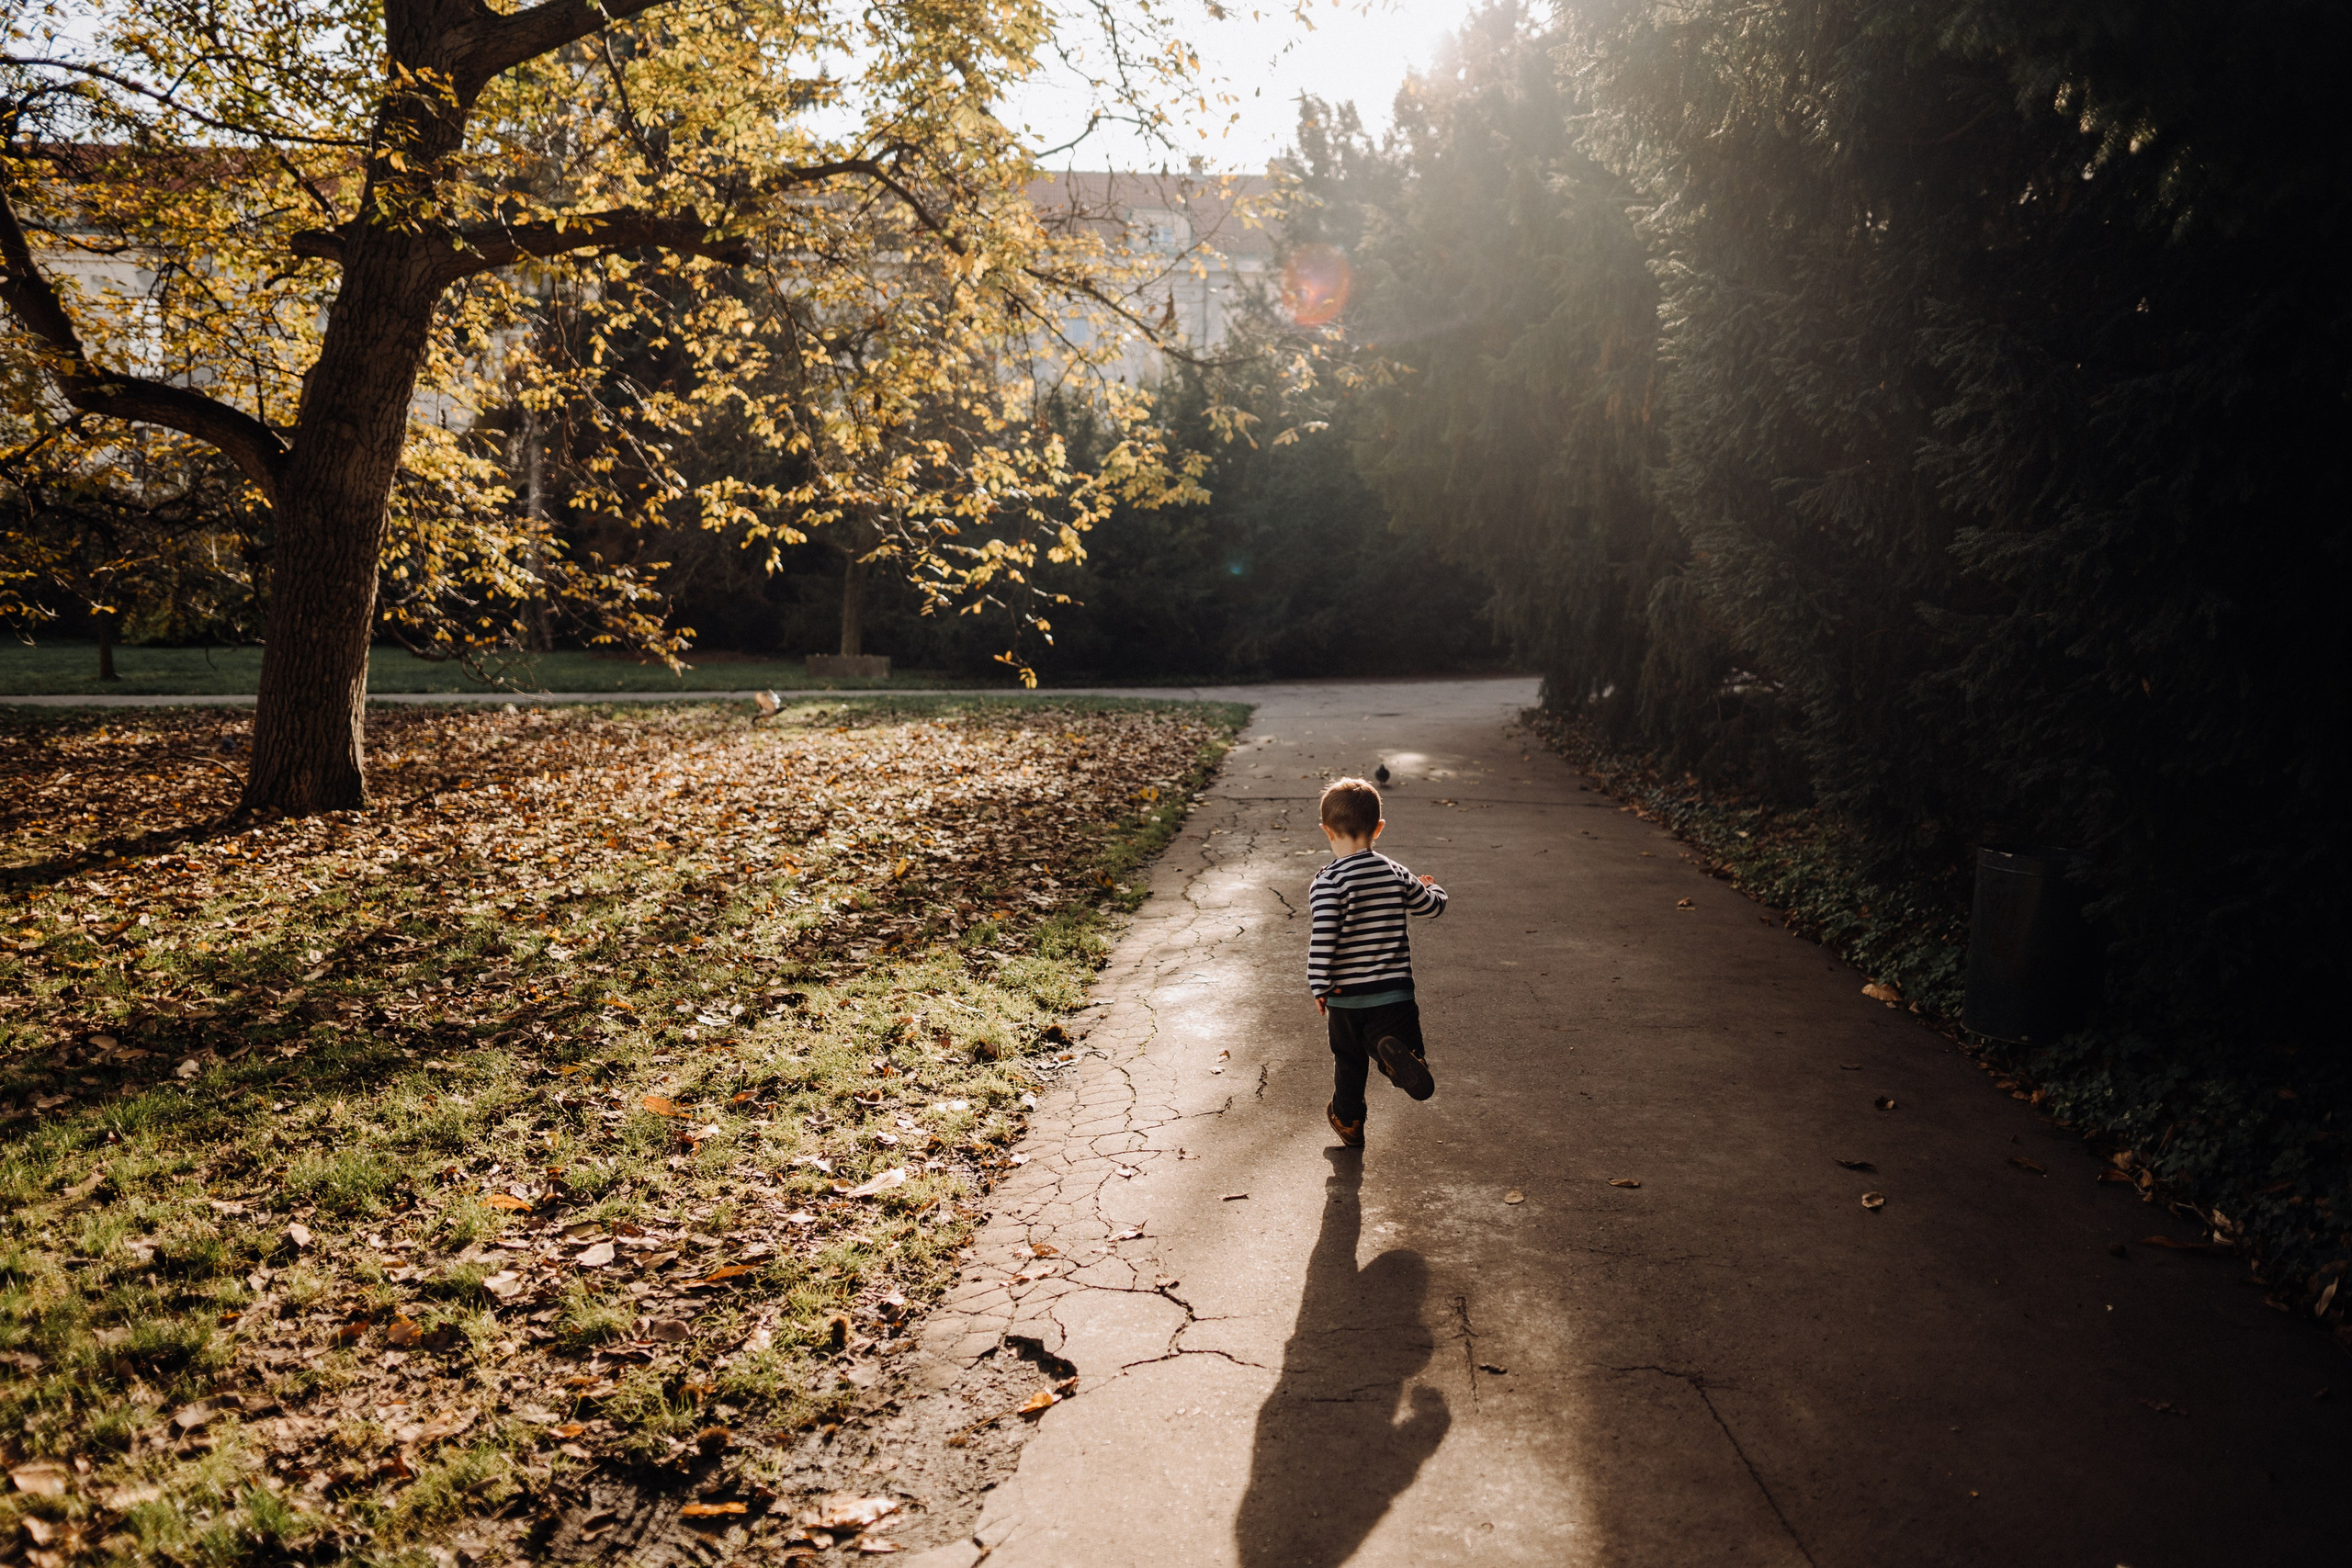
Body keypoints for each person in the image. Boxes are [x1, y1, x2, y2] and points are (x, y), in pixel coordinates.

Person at [1306, 776, 1445, 1147]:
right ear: (1378, 828)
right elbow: (1429, 907)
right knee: (1401, 1039)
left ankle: (1349, 1119)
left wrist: (1319, 984)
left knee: (1349, 1060)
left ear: (1326, 830)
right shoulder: (1396, 872)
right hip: (1394, 991)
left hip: (1345, 995)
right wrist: (1434, 888)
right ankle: (1400, 1061)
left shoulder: (1328, 881)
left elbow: (1323, 938)